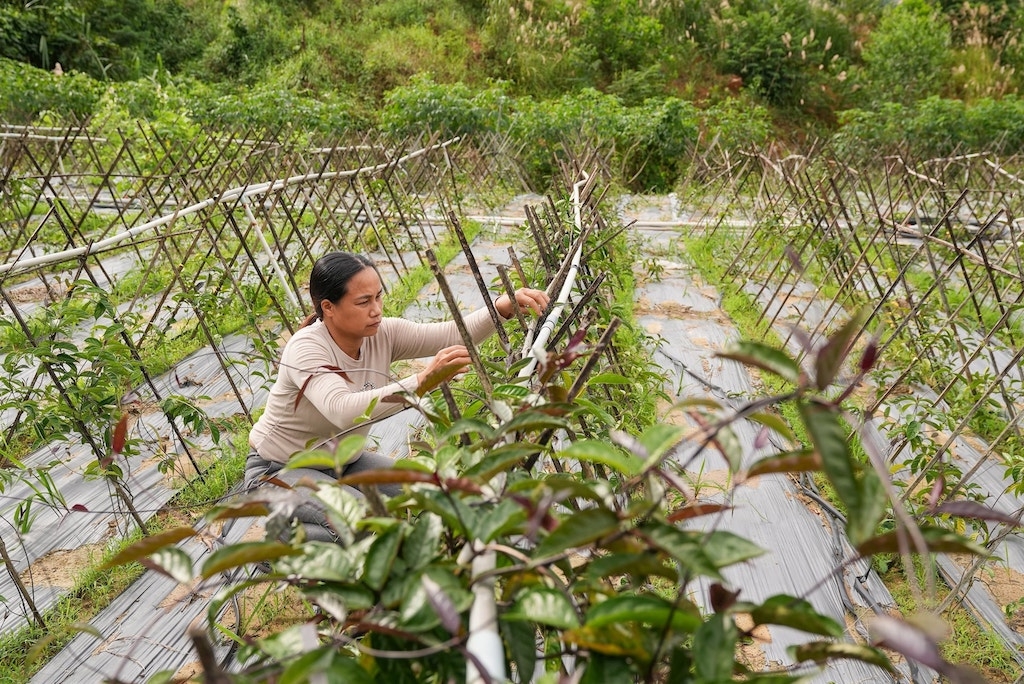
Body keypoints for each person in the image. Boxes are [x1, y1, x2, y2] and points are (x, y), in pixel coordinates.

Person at [245, 251, 549, 542]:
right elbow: (341, 410)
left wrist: (501, 307)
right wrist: (422, 381)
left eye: (378, 297)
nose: (376, 309)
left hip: (344, 463)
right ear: (328, 307)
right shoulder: (307, 349)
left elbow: (449, 334)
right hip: (278, 470)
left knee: (429, 496)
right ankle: (279, 545)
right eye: (363, 302)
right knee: (361, 520)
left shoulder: (382, 334)